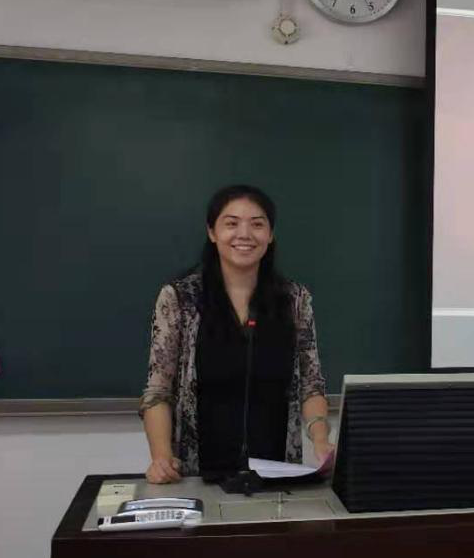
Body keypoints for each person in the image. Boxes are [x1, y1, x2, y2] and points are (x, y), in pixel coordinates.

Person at [139, 184, 332, 484]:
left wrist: (320, 440)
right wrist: (162, 458)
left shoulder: (295, 300)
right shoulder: (180, 298)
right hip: (199, 475)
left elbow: (311, 384)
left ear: (270, 235)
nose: (244, 234)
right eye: (231, 224)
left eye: (257, 224)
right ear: (212, 232)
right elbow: (158, 392)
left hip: (276, 475)